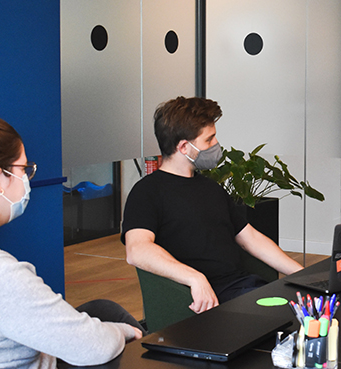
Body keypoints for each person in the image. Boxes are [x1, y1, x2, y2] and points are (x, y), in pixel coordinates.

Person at [0, 112, 142, 369]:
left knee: (103, 309)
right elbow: (96, 348)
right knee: (125, 336)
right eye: (23, 169)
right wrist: (122, 332)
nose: (27, 179)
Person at [121, 96, 302, 314]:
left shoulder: (211, 188)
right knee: (292, 318)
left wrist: (303, 275)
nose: (216, 145)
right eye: (209, 140)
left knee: (309, 311)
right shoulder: (147, 192)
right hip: (204, 300)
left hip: (242, 288)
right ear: (184, 147)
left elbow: (250, 238)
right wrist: (194, 278)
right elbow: (137, 250)